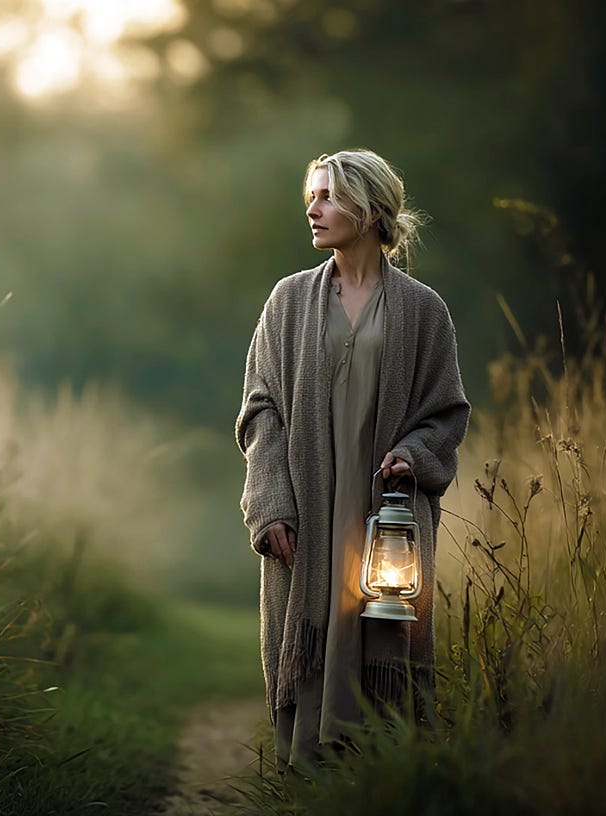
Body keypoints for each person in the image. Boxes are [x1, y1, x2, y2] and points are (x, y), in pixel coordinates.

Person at [235, 148, 470, 769]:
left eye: (328, 197)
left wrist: (414, 455)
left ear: (369, 210)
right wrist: (270, 504)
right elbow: (262, 410)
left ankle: (381, 772)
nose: (312, 210)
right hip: (308, 507)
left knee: (383, 624)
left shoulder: (424, 311)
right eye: (310, 197)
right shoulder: (286, 302)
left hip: (383, 512)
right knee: (310, 626)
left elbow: (446, 412)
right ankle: (307, 768)